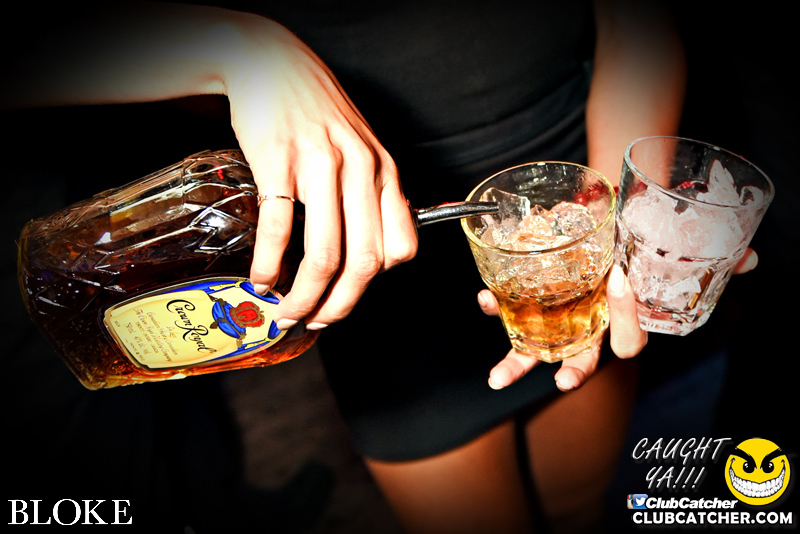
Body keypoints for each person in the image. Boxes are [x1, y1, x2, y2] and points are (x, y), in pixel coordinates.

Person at [3, 1, 760, 532]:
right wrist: (235, 47)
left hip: (573, 198)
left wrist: (616, 207)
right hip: (371, 260)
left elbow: (635, 19)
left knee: (577, 509)